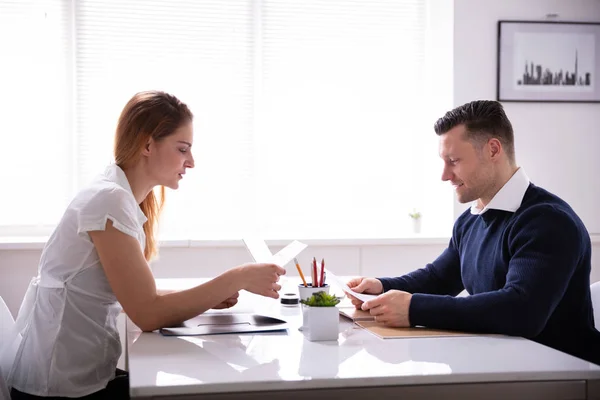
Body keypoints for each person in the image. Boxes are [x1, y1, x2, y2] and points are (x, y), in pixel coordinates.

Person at [8, 91, 286, 399]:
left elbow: (140, 297)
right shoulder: (109, 201)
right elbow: (147, 313)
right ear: (147, 144)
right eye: (183, 149)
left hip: (75, 379)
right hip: (56, 389)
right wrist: (238, 278)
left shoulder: (117, 197)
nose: (191, 162)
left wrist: (211, 294)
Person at [347, 100, 600, 366]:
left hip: (565, 374)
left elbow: (522, 310)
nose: (445, 175)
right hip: (504, 366)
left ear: (493, 149)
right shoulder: (471, 220)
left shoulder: (548, 221)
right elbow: (439, 278)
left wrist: (414, 308)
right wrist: (381, 287)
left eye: (454, 161)